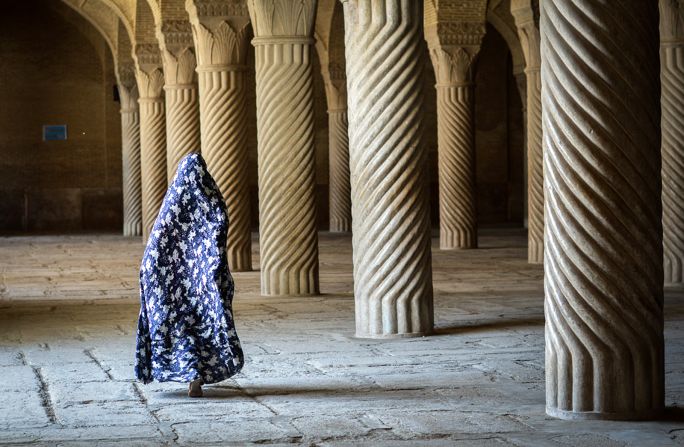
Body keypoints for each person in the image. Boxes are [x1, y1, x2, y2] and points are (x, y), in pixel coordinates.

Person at [134, 153, 244, 397]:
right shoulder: (213, 201)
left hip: (169, 285)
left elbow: (155, 247)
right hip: (201, 285)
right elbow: (217, 240)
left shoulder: (173, 201)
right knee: (200, 326)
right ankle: (195, 376)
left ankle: (189, 373)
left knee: (180, 328)